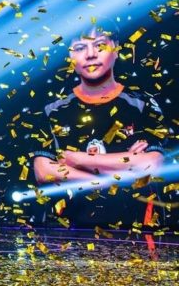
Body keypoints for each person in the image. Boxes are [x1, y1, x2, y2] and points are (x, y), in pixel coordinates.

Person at [30, 24, 170, 228]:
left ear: (116, 49)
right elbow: (43, 171)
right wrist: (119, 170)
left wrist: (76, 159)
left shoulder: (142, 104)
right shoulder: (53, 110)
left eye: (99, 45)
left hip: (136, 227)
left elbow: (151, 165)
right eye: (80, 48)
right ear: (70, 56)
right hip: (66, 230)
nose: (90, 54)